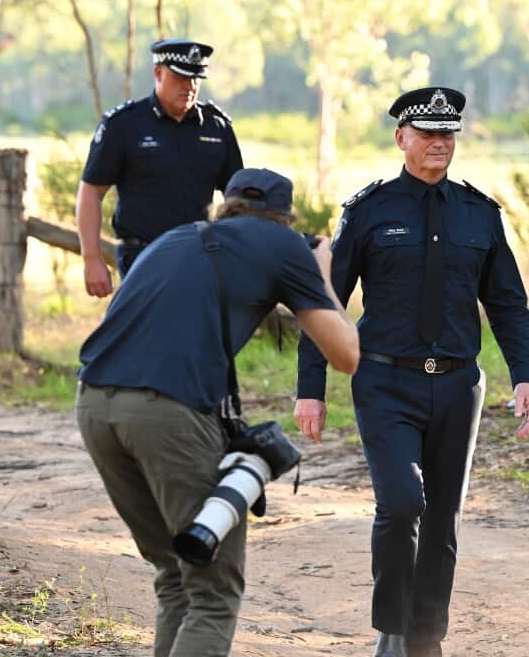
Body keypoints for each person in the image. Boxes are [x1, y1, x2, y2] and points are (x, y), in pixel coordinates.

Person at [294, 87, 529, 657]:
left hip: (459, 386)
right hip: (386, 382)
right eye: (427, 133)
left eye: (448, 133)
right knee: (403, 502)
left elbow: (505, 302)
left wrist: (524, 376)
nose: (439, 143)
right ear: (401, 137)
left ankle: (425, 639)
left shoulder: (480, 214)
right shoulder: (371, 211)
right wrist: (312, 389)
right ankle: (393, 629)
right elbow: (324, 301)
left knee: (443, 519)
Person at [76, 167, 359, 657]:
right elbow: (346, 354)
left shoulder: (176, 238)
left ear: (226, 205)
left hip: (94, 403)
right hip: (167, 411)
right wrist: (321, 273)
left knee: (175, 574)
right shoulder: (285, 246)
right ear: (285, 219)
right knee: (213, 591)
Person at [76, 38, 244, 294]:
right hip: (142, 255)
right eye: (180, 78)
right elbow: (91, 192)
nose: (189, 87)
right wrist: (92, 259)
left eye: (195, 79)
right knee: (146, 331)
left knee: (193, 332)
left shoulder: (217, 128)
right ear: (158, 73)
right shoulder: (124, 125)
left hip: (199, 255)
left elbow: (238, 198)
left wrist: (237, 254)